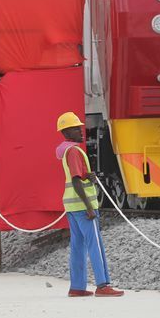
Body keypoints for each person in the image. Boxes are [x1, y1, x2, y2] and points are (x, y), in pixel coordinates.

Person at [56, 112, 124, 298]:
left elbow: (77, 177)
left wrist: (87, 176)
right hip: (82, 207)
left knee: (77, 246)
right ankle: (103, 285)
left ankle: (77, 287)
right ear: (66, 132)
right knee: (96, 245)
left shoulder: (66, 151)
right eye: (76, 128)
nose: (81, 130)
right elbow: (76, 181)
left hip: (71, 207)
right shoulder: (75, 151)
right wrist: (88, 207)